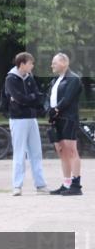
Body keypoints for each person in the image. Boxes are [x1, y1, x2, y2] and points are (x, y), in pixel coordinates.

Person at [4, 52, 48, 196]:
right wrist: (31, 98)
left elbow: (37, 96)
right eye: (30, 63)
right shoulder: (10, 79)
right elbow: (19, 98)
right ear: (22, 64)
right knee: (19, 152)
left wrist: (29, 99)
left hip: (31, 118)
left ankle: (40, 185)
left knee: (36, 152)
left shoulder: (30, 78)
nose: (32, 66)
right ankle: (17, 185)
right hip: (18, 119)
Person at [46, 53, 83, 196]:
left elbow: (68, 98)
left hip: (68, 118)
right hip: (57, 119)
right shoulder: (56, 80)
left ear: (64, 62)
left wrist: (56, 109)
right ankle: (66, 183)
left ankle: (76, 185)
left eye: (54, 62)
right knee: (62, 151)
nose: (52, 65)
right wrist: (49, 110)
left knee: (71, 150)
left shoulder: (73, 78)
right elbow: (49, 97)